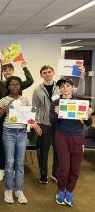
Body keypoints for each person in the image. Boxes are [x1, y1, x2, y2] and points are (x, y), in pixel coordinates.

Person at [32, 65, 85, 184]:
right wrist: (36, 124)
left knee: (59, 151)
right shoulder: (37, 90)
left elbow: (80, 91)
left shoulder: (61, 86)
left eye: (49, 72)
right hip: (45, 124)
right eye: (44, 72)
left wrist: (82, 77)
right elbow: (34, 108)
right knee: (43, 151)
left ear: (53, 73)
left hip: (60, 124)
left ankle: (55, 173)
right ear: (41, 75)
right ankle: (43, 175)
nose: (47, 74)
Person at [0, 76, 40, 204]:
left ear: (20, 86)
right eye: (12, 84)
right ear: (8, 86)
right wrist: (5, 108)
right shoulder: (4, 100)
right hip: (9, 133)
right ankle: (8, 189)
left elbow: (30, 117)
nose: (15, 87)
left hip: (22, 133)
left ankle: (19, 190)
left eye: (17, 84)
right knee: (9, 162)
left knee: (19, 163)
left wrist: (35, 126)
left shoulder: (25, 100)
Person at [50, 78, 93, 207]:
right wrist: (57, 113)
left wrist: (87, 115)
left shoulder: (79, 102)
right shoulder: (56, 103)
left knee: (75, 168)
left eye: (68, 85)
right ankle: (61, 191)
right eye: (62, 86)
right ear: (59, 89)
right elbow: (52, 122)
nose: (65, 88)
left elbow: (89, 123)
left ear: (72, 87)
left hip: (78, 137)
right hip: (61, 136)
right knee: (64, 168)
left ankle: (69, 191)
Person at [0, 59, 34, 181]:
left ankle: (13, 168)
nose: (7, 71)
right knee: (2, 144)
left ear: (13, 71)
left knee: (16, 145)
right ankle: (2, 168)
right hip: (2, 114)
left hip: (18, 117)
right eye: (5, 70)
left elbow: (30, 81)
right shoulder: (0, 84)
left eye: (10, 69)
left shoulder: (18, 83)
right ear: (2, 72)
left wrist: (25, 68)